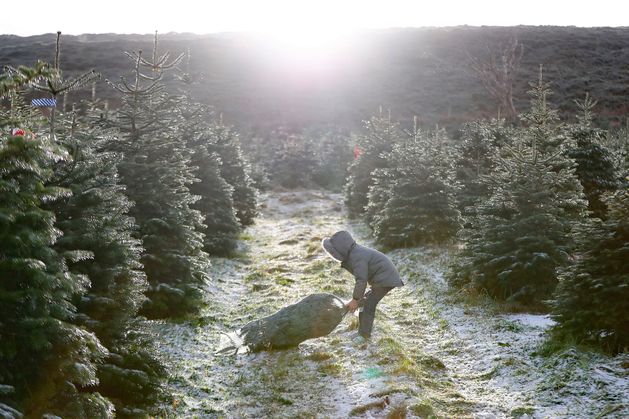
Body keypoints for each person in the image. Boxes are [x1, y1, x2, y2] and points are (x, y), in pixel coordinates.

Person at [322, 230, 403, 340]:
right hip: (381, 279)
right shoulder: (354, 253)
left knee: (369, 305)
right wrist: (358, 300)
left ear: (341, 249)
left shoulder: (357, 257)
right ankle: (362, 331)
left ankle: (364, 336)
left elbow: (361, 280)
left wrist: (355, 300)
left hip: (385, 279)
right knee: (364, 302)